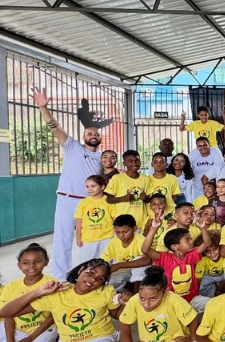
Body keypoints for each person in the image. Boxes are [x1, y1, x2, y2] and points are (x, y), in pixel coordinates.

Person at [31, 86, 102, 275]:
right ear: (83, 137)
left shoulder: (103, 157)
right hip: (67, 200)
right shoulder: (72, 147)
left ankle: (87, 274)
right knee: (63, 240)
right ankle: (61, 277)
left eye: (96, 134)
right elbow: (55, 127)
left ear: (100, 138)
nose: (93, 136)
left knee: (87, 240)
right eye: (89, 134)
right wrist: (43, 108)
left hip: (88, 203)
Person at [118, 267, 199, 342]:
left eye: (152, 299)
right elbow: (125, 322)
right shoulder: (134, 300)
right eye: (142, 298)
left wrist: (191, 338)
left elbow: (193, 319)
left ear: (165, 292)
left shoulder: (174, 299)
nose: (146, 304)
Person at [142, 216, 213, 303]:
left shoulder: (191, 255)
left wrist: (202, 228)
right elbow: (145, 250)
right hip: (171, 301)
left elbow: (207, 243)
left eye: (191, 239)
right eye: (187, 240)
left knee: (211, 303)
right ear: (175, 247)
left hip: (192, 299)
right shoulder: (165, 258)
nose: (191, 242)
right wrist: (153, 229)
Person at [100, 214, 150, 291]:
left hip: (141, 272)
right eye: (118, 232)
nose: (121, 235)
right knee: (110, 284)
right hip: (124, 270)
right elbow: (103, 260)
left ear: (134, 228)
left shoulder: (141, 240)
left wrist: (119, 265)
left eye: (125, 231)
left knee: (140, 263)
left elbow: (147, 260)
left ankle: (137, 294)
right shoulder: (114, 242)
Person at [73, 175, 116, 263]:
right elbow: (79, 221)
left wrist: (115, 236)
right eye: (87, 186)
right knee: (86, 264)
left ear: (102, 187)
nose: (89, 189)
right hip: (88, 238)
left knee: (105, 263)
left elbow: (115, 219)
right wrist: (78, 238)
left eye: (93, 186)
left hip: (107, 237)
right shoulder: (83, 203)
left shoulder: (109, 201)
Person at [105, 150, 151, 229]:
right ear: (124, 163)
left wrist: (146, 198)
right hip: (123, 223)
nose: (134, 163)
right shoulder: (117, 178)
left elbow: (150, 199)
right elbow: (108, 199)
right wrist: (123, 198)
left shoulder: (146, 178)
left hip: (141, 223)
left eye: (137, 160)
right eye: (130, 161)